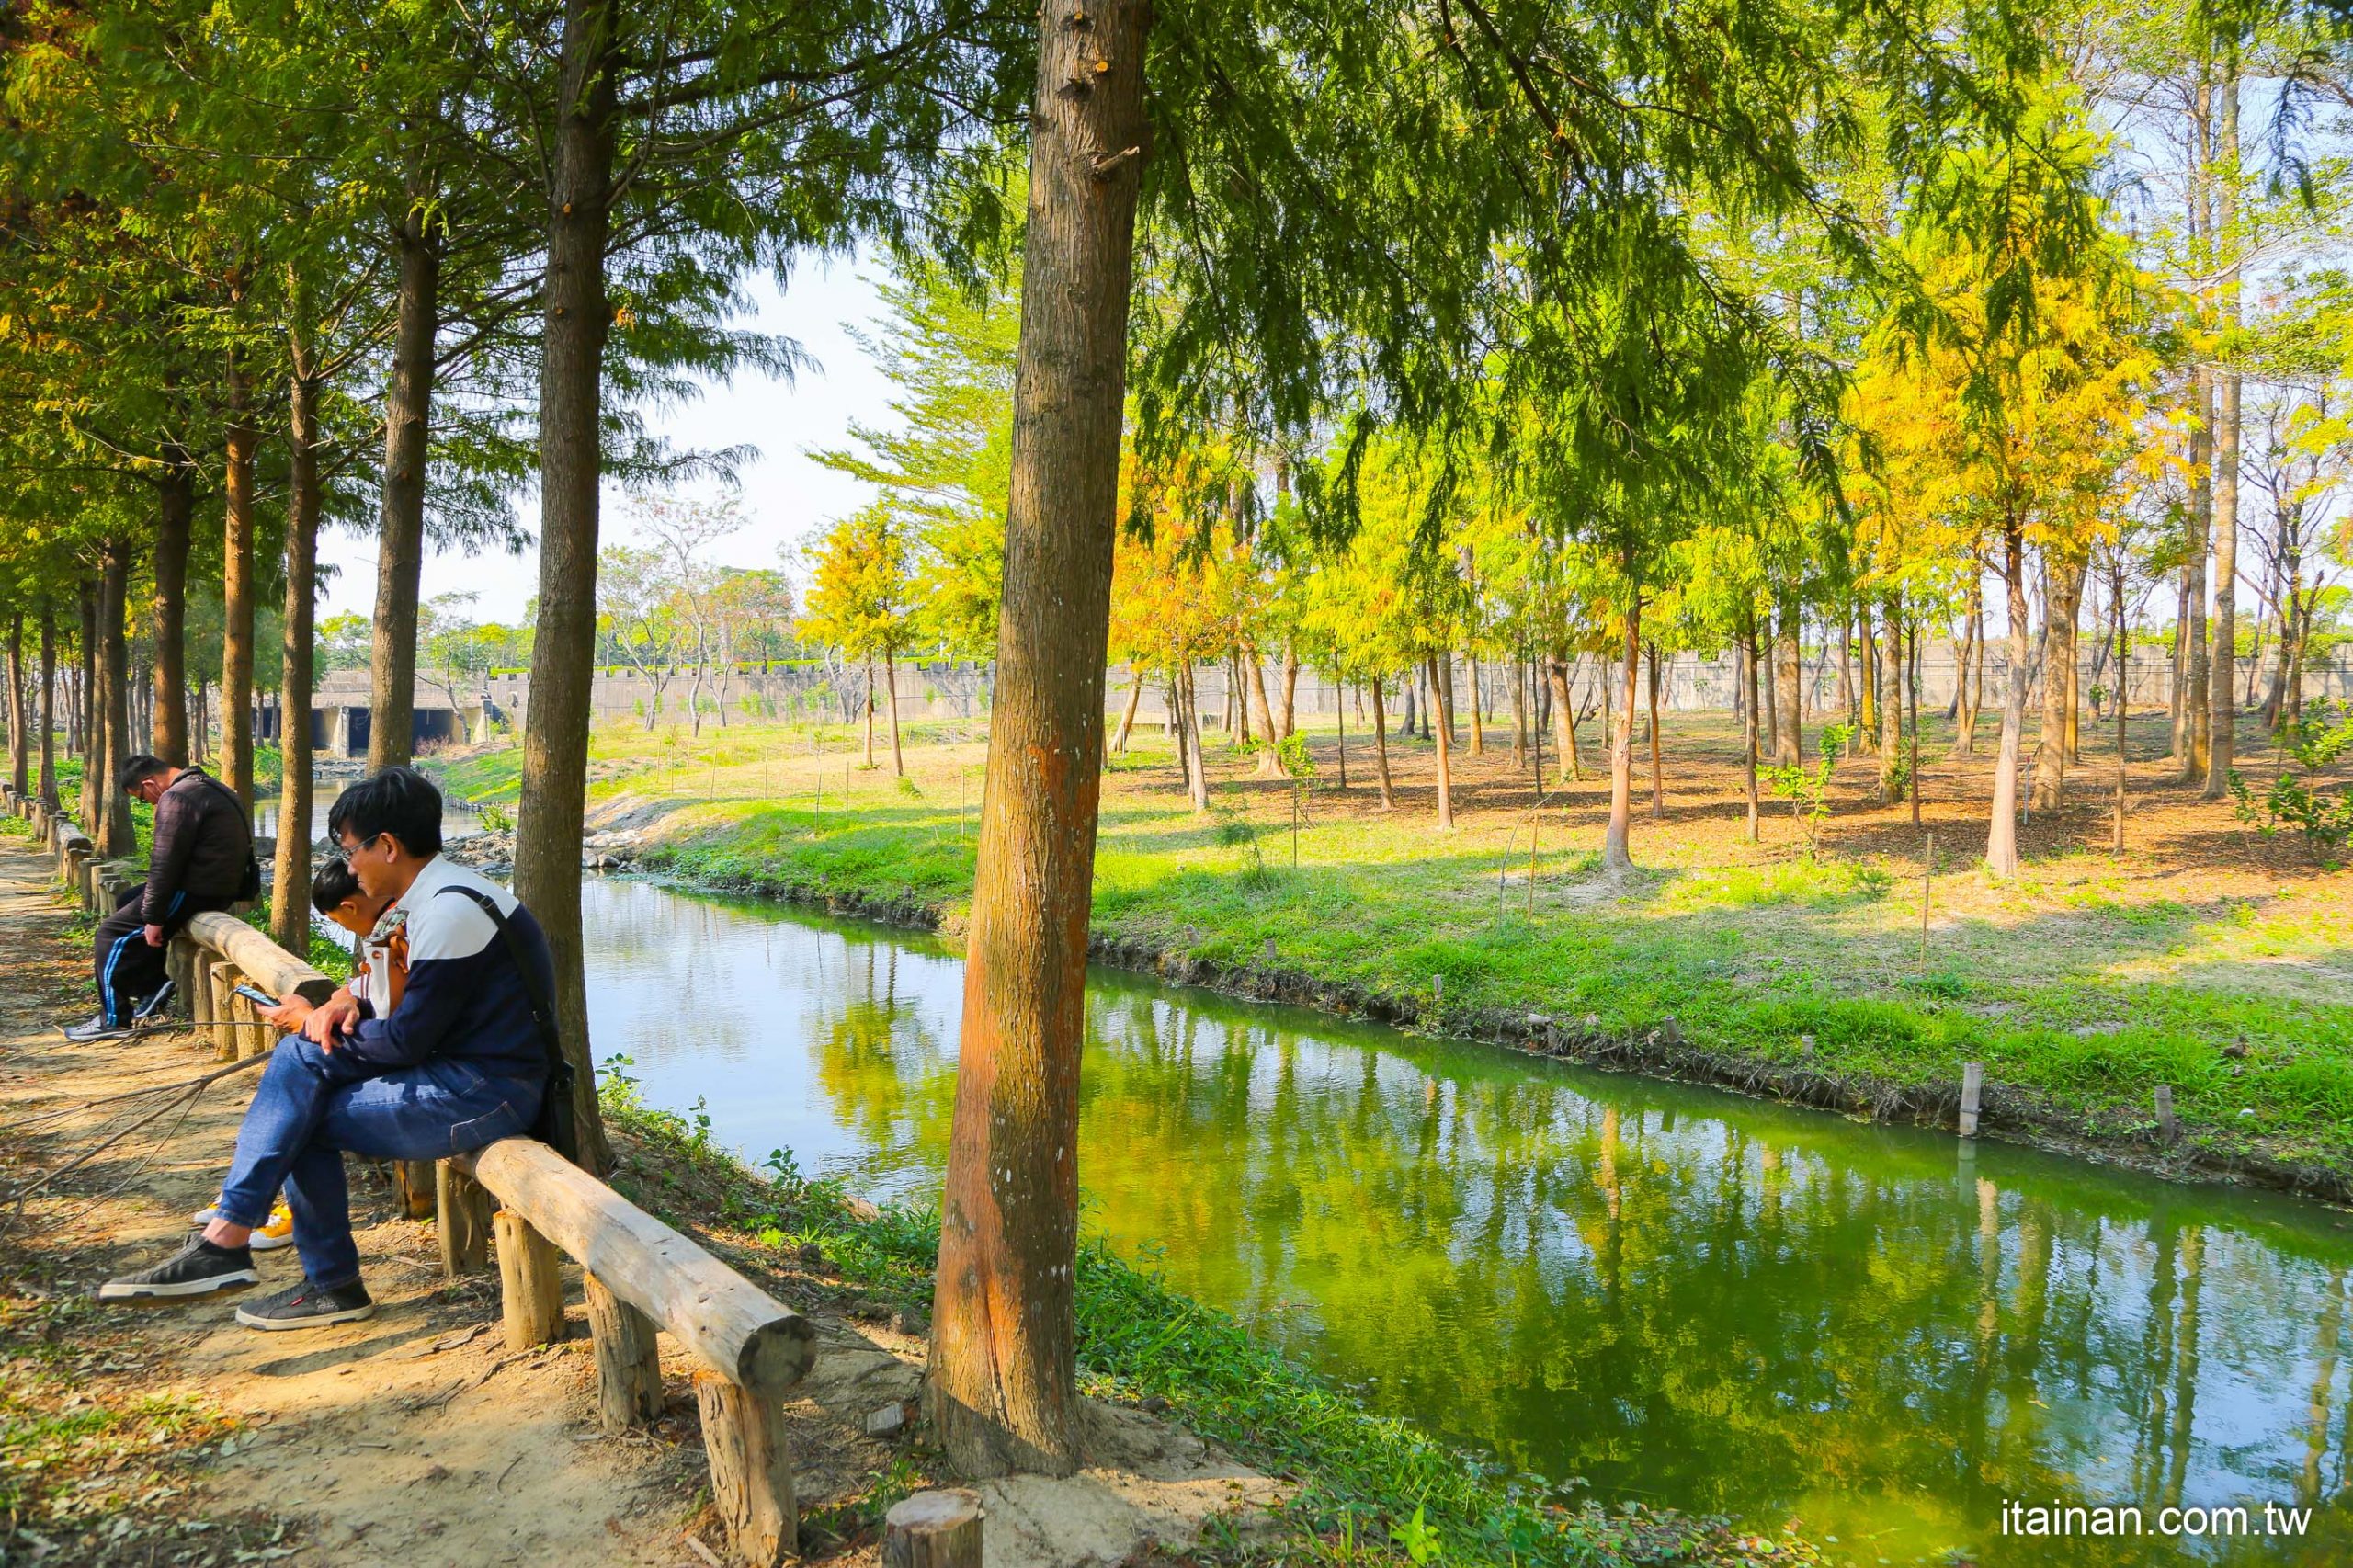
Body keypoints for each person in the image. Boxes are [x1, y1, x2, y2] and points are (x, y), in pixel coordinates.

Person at [97, 767, 557, 1330]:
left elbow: (407, 1041)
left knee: (300, 1097)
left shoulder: (450, 911)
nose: (349, 867)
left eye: (350, 850)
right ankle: (261, 1254)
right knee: (299, 1097)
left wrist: (317, 1024)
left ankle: (270, 1256)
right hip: (458, 1077)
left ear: (387, 846)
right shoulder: (435, 896)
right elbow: (398, 991)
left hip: (488, 1093)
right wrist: (347, 1000)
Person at [186, 858, 396, 1253]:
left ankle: (244, 1211)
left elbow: (403, 1028)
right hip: (381, 1045)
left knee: (299, 1084)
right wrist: (343, 998)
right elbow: (366, 981)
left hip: (408, 1061)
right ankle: (248, 1206)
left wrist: (305, 1021)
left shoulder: (403, 927)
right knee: (298, 1086)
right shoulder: (388, 927)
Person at [64, 755, 256, 1042]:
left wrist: (154, 917)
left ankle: (114, 1019)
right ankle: (152, 986)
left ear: (150, 783)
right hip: (217, 885)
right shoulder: (210, 786)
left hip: (196, 889)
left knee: (109, 934)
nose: (149, 804)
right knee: (127, 900)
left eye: (142, 798)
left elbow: (165, 862)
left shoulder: (177, 797)